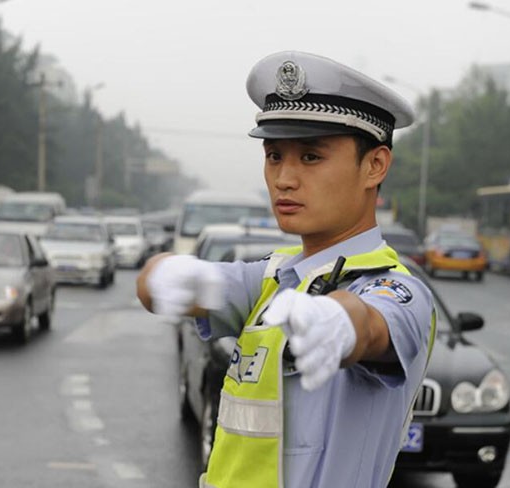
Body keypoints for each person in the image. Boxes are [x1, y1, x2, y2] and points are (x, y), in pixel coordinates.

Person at [136, 51, 435, 488]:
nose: (284, 179)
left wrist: (342, 322)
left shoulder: (396, 288)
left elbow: (371, 324)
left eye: (311, 157)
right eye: (274, 155)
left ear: (375, 165)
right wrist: (163, 273)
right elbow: (157, 286)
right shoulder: (273, 279)